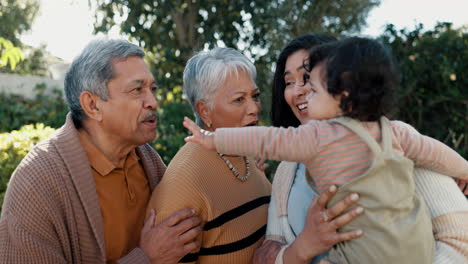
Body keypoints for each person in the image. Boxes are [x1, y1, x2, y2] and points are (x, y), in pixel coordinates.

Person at [182, 37, 468, 263]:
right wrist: (305, 244)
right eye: (289, 82)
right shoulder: (286, 172)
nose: (300, 91)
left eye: (309, 80)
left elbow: (460, 239)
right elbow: (265, 257)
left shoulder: (395, 138)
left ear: (345, 88)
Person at [0, 39, 202, 263]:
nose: (153, 101)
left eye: (152, 89)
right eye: (137, 90)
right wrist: (146, 258)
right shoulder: (37, 182)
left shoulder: (148, 160)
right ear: (92, 105)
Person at [145, 47, 271, 263]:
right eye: (239, 100)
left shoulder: (245, 154)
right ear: (205, 111)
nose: (254, 108)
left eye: (255, 96)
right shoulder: (187, 180)